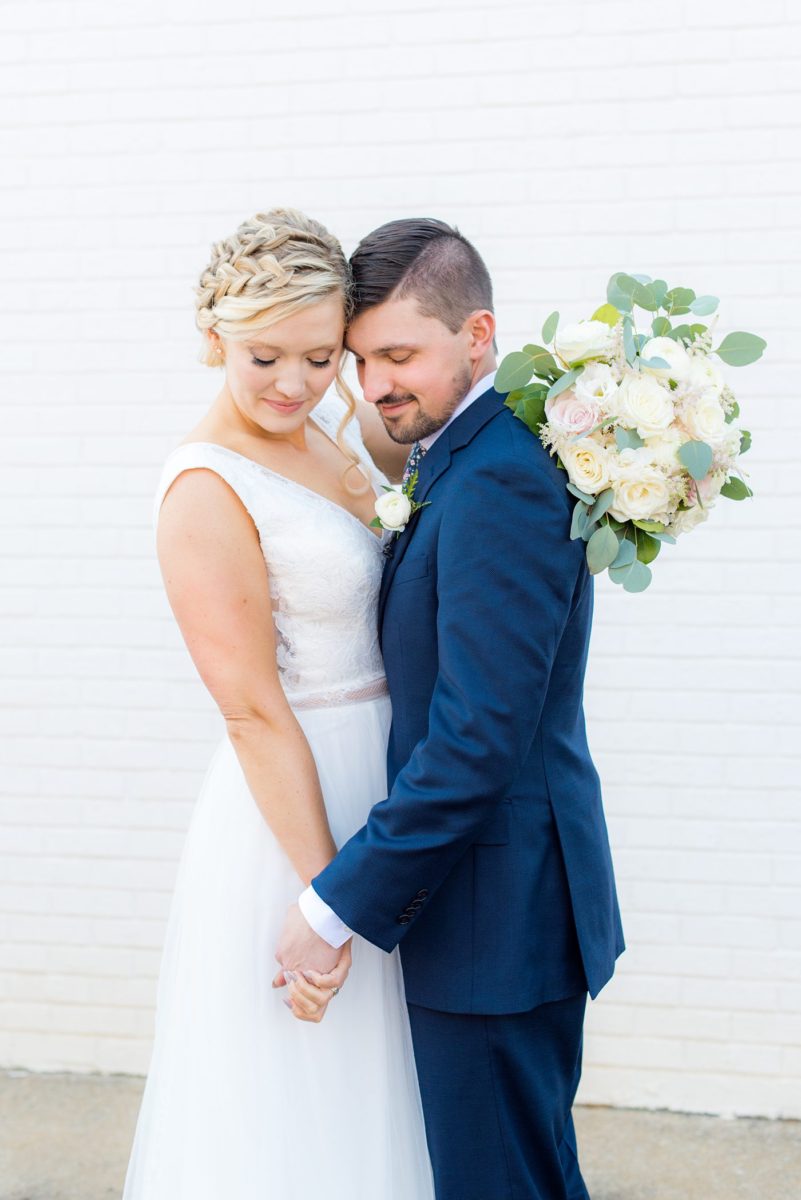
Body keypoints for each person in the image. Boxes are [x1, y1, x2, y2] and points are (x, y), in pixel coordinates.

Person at [276, 218, 625, 1200]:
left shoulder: (500, 480)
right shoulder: (457, 459)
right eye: (360, 359)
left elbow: (474, 743)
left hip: (496, 923)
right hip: (486, 917)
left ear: (478, 338)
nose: (374, 383)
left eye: (399, 355)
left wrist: (333, 904)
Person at [122, 209, 435, 1200]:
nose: (295, 385)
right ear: (212, 336)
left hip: (387, 782)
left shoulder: (329, 433)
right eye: (265, 357)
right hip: (297, 810)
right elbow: (253, 710)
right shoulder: (204, 489)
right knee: (300, 1103)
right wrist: (328, 899)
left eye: (318, 356)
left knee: (388, 1084)